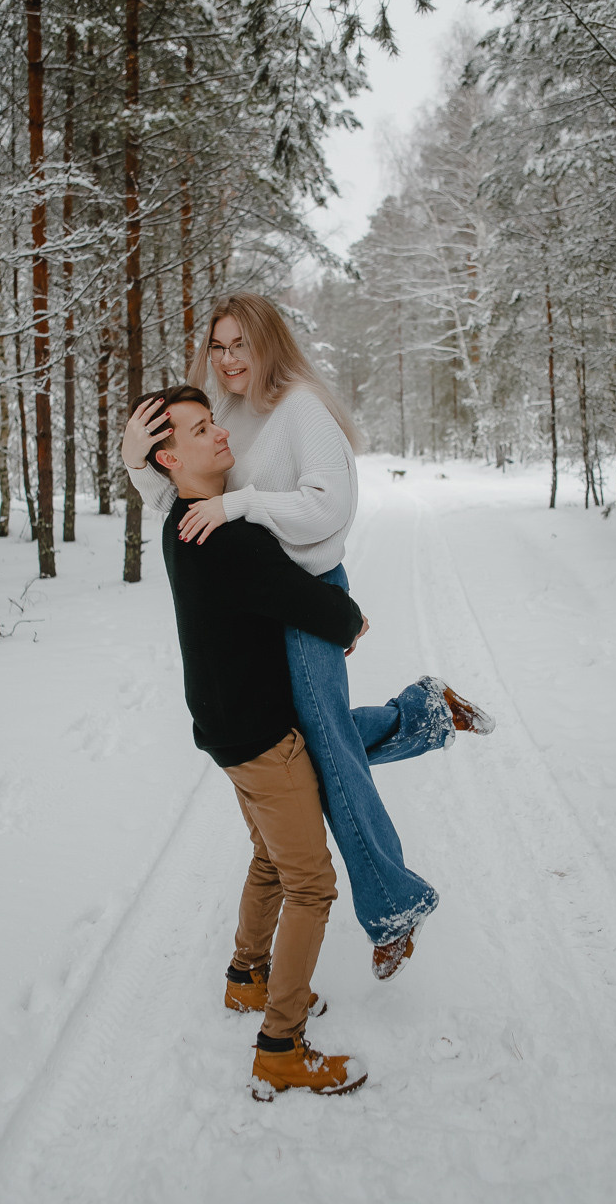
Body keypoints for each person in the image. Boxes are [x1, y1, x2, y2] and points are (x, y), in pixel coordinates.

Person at [122, 293, 495, 983]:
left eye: (241, 345)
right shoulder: (223, 409)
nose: (228, 360)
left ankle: (392, 905)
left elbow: (330, 504)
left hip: (306, 599)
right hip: (263, 600)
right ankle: (425, 712)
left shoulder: (298, 407)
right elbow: (187, 497)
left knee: (322, 750)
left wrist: (243, 503)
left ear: (269, 344)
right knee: (312, 743)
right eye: (219, 346)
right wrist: (137, 463)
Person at [134, 382, 369, 1100]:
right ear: (169, 457)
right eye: (200, 430)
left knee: (270, 857)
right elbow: (323, 609)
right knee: (311, 884)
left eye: (214, 421)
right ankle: (279, 1044)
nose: (220, 435)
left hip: (226, 730)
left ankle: (245, 977)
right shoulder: (225, 536)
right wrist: (352, 621)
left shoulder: (182, 518)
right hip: (262, 737)